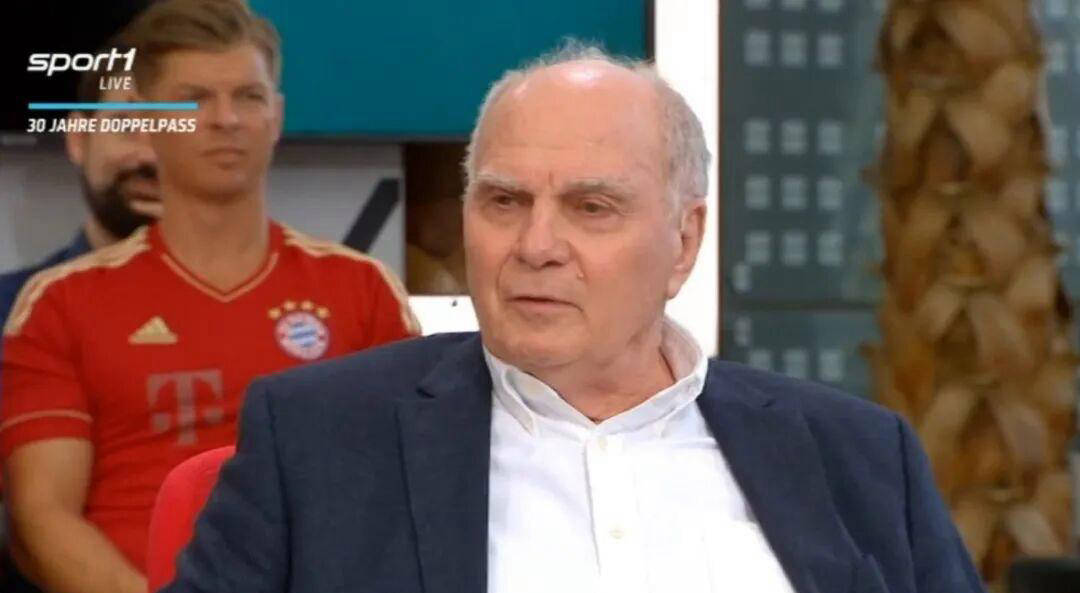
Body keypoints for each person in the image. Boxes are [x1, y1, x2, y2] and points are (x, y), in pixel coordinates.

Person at [160, 43, 985, 593]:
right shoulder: (318, 440)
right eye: (504, 201)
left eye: (592, 207)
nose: (536, 246)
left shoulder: (858, 457)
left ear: (684, 240)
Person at [0, 2, 419, 593]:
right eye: (194, 99)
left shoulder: (362, 289)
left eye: (249, 96)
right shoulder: (60, 303)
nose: (226, 119)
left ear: (276, 116)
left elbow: (413, 492)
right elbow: (41, 520)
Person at [0, 52, 161, 341]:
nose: (148, 156)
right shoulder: (10, 312)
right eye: (125, 125)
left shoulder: (246, 306)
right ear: (79, 139)